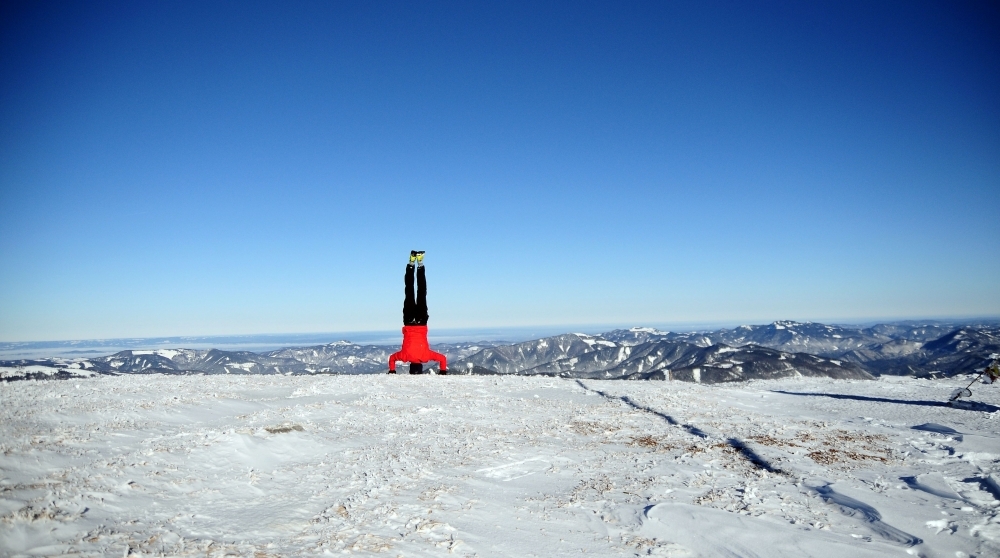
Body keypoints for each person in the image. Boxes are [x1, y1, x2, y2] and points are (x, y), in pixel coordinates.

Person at [388, 251, 448, 375]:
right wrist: (392, 370)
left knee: (421, 292)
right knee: (409, 290)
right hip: (409, 322)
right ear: (410, 366)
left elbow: (443, 359)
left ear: (421, 366)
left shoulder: (426, 356)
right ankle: (411, 262)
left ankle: (420, 263)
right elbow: (392, 359)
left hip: (421, 322)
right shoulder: (404, 357)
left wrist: (442, 371)